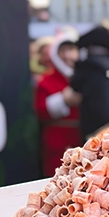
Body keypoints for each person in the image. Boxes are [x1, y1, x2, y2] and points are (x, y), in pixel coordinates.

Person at [34, 31, 82, 176]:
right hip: (57, 143)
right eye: (63, 51)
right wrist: (63, 101)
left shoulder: (85, 76)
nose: (68, 55)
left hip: (82, 139)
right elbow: (40, 110)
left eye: (72, 49)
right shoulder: (45, 80)